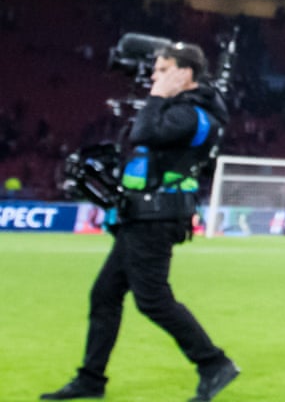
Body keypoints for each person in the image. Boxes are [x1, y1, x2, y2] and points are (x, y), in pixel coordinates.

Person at [43, 43, 241, 402]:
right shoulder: (184, 109)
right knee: (105, 295)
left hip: (156, 218)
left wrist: (157, 96)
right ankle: (91, 379)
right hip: (144, 216)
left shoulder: (192, 114)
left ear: (185, 74)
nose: (153, 76)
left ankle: (214, 363)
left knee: (153, 300)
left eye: (162, 70)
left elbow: (145, 134)